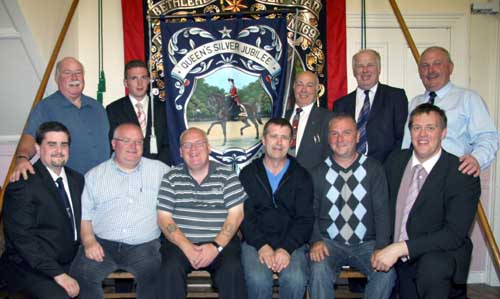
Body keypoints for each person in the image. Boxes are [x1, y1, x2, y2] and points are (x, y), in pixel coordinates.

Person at [372, 104, 481, 299]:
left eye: (430, 128)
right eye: (416, 128)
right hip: (399, 260)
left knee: (433, 267)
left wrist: (400, 248)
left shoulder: (462, 173)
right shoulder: (395, 160)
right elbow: (379, 208)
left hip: (437, 256)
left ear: (443, 133)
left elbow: (453, 234)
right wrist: (382, 245)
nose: (422, 134)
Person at [69, 123, 169, 299]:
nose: (134, 147)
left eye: (139, 141)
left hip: (144, 247)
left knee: (156, 275)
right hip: (102, 245)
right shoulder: (94, 175)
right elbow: (85, 216)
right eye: (127, 141)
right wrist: (89, 241)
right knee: (82, 274)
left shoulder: (160, 171)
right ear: (114, 144)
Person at [309, 113, 395, 299]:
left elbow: (382, 211)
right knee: (317, 269)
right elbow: (310, 213)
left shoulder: (374, 169)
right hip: (329, 243)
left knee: (387, 274)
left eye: (346, 133)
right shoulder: (317, 172)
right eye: (334, 133)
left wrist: (381, 246)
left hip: (367, 244)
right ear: (328, 138)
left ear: (357, 136)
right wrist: (316, 240)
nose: (340, 139)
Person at [157, 127, 247, 299]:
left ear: (209, 148)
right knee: (169, 270)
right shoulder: (171, 177)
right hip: (181, 243)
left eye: (199, 143)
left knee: (232, 271)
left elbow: (236, 215)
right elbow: (163, 218)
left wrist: (215, 247)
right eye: (187, 145)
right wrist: (187, 247)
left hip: (221, 243)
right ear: (181, 152)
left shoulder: (227, 175)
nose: (193, 149)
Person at [0, 121, 84, 299]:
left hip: (70, 260)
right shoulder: (22, 185)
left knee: (94, 286)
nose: (59, 150)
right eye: (51, 144)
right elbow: (23, 240)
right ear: (38, 148)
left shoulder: (77, 180)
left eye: (64, 144)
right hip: (29, 266)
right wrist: (58, 274)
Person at [239, 118, 314, 299]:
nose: (279, 143)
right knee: (258, 279)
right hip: (255, 243)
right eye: (274, 137)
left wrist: (286, 249)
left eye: (284, 138)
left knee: (295, 278)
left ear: (290, 142)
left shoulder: (302, 176)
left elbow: (305, 220)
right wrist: (262, 246)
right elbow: (244, 218)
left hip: (292, 243)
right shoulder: (248, 174)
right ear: (264, 140)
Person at [401, 46, 498, 177]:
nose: (431, 70)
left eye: (437, 64)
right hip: (415, 177)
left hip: (451, 175)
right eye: (425, 65)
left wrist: (477, 159)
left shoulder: (467, 98)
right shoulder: (414, 103)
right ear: (419, 72)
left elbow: (488, 137)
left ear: (450, 67)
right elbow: (407, 143)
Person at [11, 57, 110, 179]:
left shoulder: (98, 107)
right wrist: (22, 158)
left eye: (78, 72)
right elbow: (30, 138)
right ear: (57, 79)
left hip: (103, 181)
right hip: (69, 184)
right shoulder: (45, 107)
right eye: (67, 73)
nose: (74, 77)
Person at [334, 49, 408, 163]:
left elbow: (402, 137)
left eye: (370, 65)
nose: (365, 70)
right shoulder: (341, 104)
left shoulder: (396, 97)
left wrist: (392, 165)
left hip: (386, 169)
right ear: (354, 71)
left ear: (379, 69)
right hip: (350, 169)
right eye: (360, 66)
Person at [106, 60, 171, 165]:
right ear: (125, 83)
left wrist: (155, 168)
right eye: (134, 78)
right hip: (127, 170)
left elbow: (168, 144)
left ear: (149, 80)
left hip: (157, 170)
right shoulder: (114, 109)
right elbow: (113, 145)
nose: (139, 83)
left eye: (143, 78)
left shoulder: (162, 108)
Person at [286, 71, 334, 171]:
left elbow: (331, 157)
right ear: (294, 87)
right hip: (281, 182)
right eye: (300, 84)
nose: (304, 90)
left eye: (309, 85)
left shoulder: (328, 119)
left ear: (317, 89)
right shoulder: (282, 116)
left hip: (314, 183)